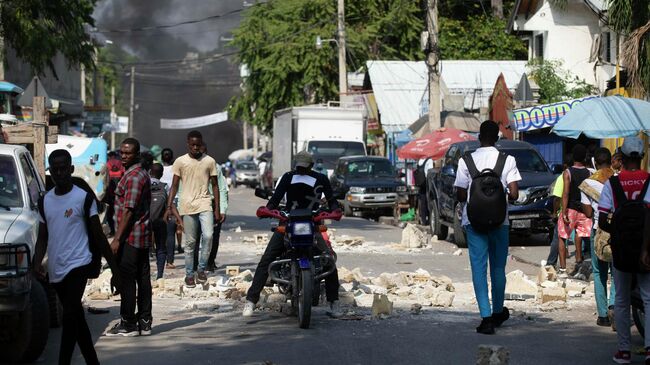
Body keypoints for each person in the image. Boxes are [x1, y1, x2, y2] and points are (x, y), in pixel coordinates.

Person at [33, 149, 119, 364]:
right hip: (56, 268)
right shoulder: (45, 201)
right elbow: (43, 237)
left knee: (70, 315)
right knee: (77, 320)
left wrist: (115, 269)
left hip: (79, 264)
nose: (60, 173)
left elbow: (98, 236)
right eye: (56, 169)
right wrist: (35, 264)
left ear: (71, 169)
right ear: (50, 171)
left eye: (64, 169)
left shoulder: (83, 198)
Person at [243, 151, 343, 317]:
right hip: (289, 222)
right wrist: (268, 210)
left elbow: (332, 200)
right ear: (295, 165)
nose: (301, 170)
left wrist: (334, 210)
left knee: (328, 259)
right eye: (299, 167)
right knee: (267, 260)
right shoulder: (288, 177)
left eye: (304, 167)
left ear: (311, 166)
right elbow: (275, 199)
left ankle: (334, 302)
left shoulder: (321, 179)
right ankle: (251, 301)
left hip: (311, 223)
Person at [454, 121, 521, 335]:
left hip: (474, 221)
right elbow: (515, 193)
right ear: (497, 138)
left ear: (479, 137)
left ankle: (486, 318)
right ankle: (498, 311)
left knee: (479, 269)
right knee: (499, 269)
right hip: (501, 221)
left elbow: (461, 194)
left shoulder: (466, 160)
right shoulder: (507, 160)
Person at [597, 137, 650, 364]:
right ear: (641, 158)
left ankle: (624, 351)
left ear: (622, 157)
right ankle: (649, 349)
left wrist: (618, 235)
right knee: (648, 298)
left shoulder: (612, 184)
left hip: (621, 250)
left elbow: (602, 220)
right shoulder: (649, 181)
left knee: (621, 299)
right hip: (647, 250)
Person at [106, 138, 153, 337]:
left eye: (128, 153)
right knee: (143, 279)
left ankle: (128, 322)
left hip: (132, 237)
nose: (124, 156)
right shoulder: (137, 173)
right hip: (141, 236)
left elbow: (128, 211)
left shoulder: (134, 176)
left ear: (137, 154)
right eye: (122, 152)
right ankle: (144, 320)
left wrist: (116, 239)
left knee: (127, 280)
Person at [166, 130, 221, 288]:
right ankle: (189, 274)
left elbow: (215, 186)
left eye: (198, 145)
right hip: (187, 205)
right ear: (188, 144)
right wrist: (169, 205)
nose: (195, 148)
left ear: (201, 144)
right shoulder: (180, 162)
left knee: (209, 236)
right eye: (193, 145)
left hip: (205, 203)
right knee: (190, 243)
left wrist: (217, 208)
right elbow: (174, 185)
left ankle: (201, 269)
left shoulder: (209, 161)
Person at [579, 148, 616, 327]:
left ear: (595, 162)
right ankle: (614, 306)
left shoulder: (588, 183)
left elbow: (587, 212)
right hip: (618, 230)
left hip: (598, 230)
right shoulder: (618, 179)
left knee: (599, 272)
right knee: (616, 272)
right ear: (610, 161)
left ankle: (602, 315)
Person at [558, 145, 592, 276]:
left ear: (573, 157)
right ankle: (580, 261)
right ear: (584, 157)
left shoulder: (568, 172)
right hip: (584, 209)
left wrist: (564, 211)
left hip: (571, 209)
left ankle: (562, 270)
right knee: (581, 234)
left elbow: (565, 193)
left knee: (562, 237)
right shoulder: (589, 173)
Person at [149, 163, 168, 281]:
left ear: (150, 172)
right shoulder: (165, 186)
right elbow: (170, 204)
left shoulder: (144, 184)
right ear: (161, 174)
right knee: (161, 248)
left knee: (144, 248)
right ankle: (160, 274)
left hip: (145, 221)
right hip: (160, 221)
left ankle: (144, 273)